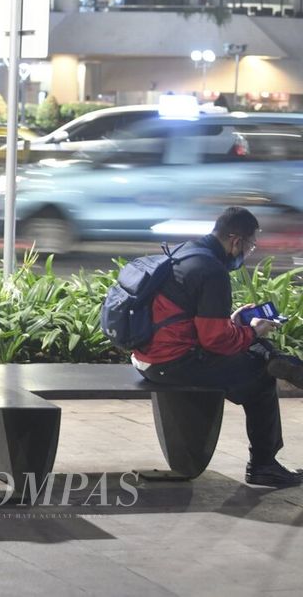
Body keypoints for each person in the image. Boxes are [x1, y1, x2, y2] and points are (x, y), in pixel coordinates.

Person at [133, 207, 303, 487]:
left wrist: (235, 323)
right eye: (250, 246)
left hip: (146, 355)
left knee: (257, 354)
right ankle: (263, 465)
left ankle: (276, 359)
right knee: (261, 378)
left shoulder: (187, 252)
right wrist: (252, 331)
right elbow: (216, 341)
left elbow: (192, 321)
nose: (248, 252)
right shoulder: (212, 271)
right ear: (236, 241)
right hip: (171, 363)